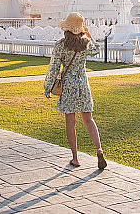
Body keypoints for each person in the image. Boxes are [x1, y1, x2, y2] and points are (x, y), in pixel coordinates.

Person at [44, 11, 107, 169]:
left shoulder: (60, 45)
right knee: (88, 119)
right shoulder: (85, 43)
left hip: (69, 85)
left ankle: (75, 158)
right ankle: (99, 150)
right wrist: (88, 34)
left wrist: (48, 87)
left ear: (66, 28)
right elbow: (96, 50)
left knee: (71, 122)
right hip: (83, 84)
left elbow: (54, 68)